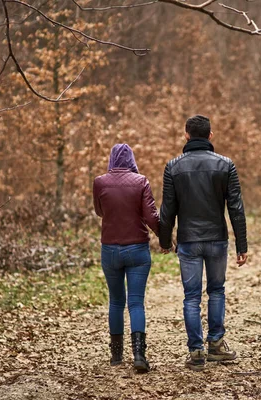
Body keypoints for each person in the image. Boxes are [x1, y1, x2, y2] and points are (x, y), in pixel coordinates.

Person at [159, 115, 248, 371]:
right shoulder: (226, 165)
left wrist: (165, 240)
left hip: (188, 241)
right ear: (211, 136)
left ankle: (196, 351)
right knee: (217, 290)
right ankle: (216, 344)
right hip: (217, 239)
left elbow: (168, 210)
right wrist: (242, 245)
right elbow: (236, 209)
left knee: (191, 296)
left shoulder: (173, 167)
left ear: (186, 135)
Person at [93, 144, 160, 372]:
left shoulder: (100, 182)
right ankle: (139, 355)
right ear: (131, 159)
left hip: (110, 249)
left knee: (115, 301)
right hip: (137, 250)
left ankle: (116, 356)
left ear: (111, 159)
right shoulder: (141, 181)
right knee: (135, 302)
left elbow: (99, 211)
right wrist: (165, 237)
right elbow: (151, 216)